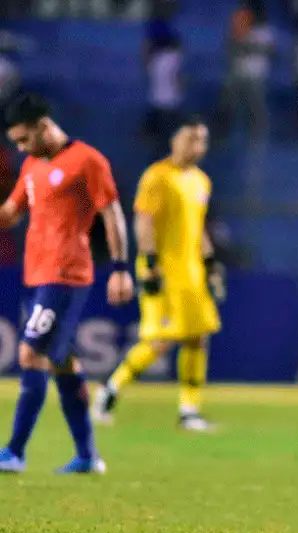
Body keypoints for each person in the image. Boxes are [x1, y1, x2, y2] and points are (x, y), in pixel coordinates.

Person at [0, 93, 134, 473]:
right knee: (62, 360)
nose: (21, 147)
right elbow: (10, 213)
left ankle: (14, 452)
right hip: (37, 274)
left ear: (44, 126)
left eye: (24, 139)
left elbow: (112, 215)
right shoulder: (31, 166)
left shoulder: (87, 161)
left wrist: (122, 267)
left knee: (30, 353)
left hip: (66, 273)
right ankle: (88, 456)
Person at [93, 117, 224, 432]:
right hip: (163, 270)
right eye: (192, 138)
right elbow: (144, 221)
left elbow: (199, 227)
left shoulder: (201, 181)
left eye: (203, 140)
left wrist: (211, 264)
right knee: (160, 340)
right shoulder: (157, 176)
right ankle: (109, 391)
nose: (198, 146)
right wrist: (150, 263)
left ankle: (189, 410)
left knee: (198, 337)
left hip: (192, 272)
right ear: (175, 141)